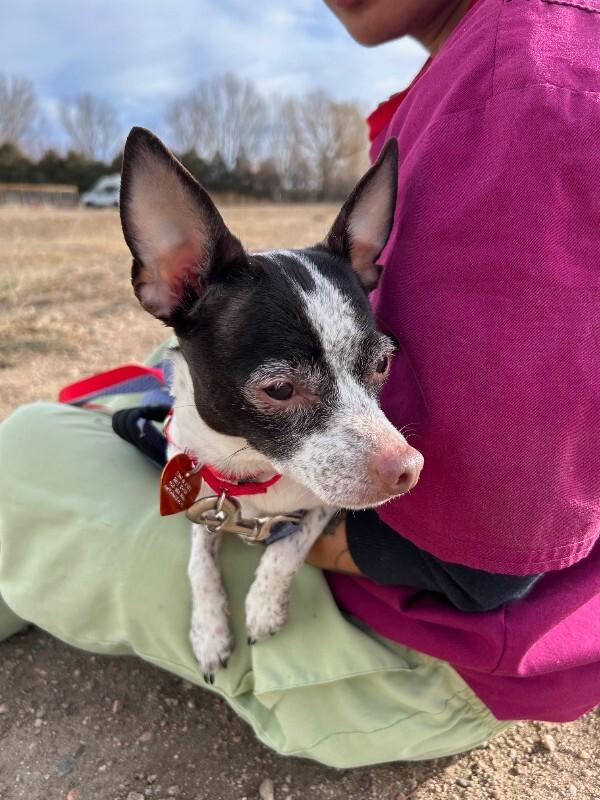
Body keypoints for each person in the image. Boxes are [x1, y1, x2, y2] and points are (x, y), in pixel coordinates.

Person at [0, 0, 598, 767]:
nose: (398, 453)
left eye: (378, 366)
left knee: (22, 452)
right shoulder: (456, 85)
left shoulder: (531, 76)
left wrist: (257, 533)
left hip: (450, 655)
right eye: (285, 391)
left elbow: (483, 571)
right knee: (150, 384)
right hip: (521, 622)